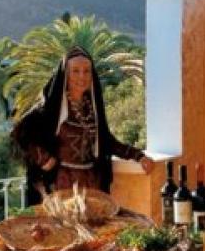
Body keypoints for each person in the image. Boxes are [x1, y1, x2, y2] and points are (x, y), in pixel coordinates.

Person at [12, 47, 154, 204]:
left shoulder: (92, 108)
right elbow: (22, 133)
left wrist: (138, 156)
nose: (82, 76)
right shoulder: (51, 108)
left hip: (91, 185)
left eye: (87, 71)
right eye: (76, 71)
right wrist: (44, 159)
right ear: (65, 74)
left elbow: (106, 141)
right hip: (59, 186)